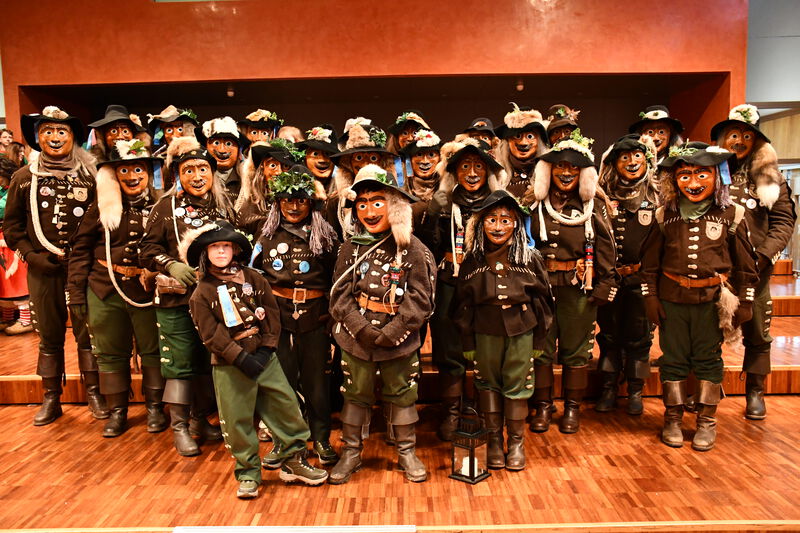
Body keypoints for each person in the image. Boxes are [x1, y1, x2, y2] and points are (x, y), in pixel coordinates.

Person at [184, 219, 328, 499]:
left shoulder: (254, 278)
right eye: (214, 247)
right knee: (236, 418)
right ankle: (248, 472)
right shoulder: (202, 292)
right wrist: (239, 358)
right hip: (229, 365)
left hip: (264, 357)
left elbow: (272, 314)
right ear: (205, 253)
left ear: (235, 250)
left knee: (285, 405)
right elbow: (210, 335)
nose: (221, 251)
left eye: (226, 246)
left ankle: (293, 460)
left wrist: (266, 349)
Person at [640, 141, 758, 451]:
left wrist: (746, 300)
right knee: (673, 360)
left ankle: (706, 420)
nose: (692, 183)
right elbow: (649, 264)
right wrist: (650, 297)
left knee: (708, 360)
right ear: (674, 180)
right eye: (685, 175)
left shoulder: (732, 214)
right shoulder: (664, 215)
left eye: (701, 174)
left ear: (717, 176)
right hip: (672, 300)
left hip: (712, 302)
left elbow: (745, 264)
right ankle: (672, 418)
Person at [328, 164, 436, 484]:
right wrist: (360, 328)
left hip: (399, 339)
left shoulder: (414, 250)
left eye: (378, 202)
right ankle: (351, 452)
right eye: (362, 204)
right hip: (356, 338)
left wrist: (393, 332)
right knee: (354, 394)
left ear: (395, 206)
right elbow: (338, 297)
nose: (370, 211)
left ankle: (406, 451)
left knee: (402, 394)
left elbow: (422, 300)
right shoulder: (350, 248)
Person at [3, 106, 109, 425]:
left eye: (62, 131)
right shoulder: (24, 178)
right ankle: (51, 397)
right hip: (42, 269)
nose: (55, 137)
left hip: (83, 270)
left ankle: (94, 392)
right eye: (47, 131)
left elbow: (102, 223)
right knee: (48, 335)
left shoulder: (90, 176)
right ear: (38, 138)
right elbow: (12, 227)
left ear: (73, 137)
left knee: (87, 332)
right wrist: (32, 256)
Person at [139, 136, 233, 456]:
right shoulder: (165, 207)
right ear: (178, 175)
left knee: (206, 361)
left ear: (212, 172)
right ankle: (179, 427)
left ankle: (199, 420)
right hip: (175, 301)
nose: (197, 176)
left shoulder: (223, 206)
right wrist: (171, 264)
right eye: (188, 170)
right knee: (179, 364)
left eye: (202, 169)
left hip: (213, 301)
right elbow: (146, 249)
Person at [68, 139, 165, 437]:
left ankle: (155, 408)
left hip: (147, 291)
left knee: (153, 351)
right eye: (124, 170)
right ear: (114, 175)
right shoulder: (99, 208)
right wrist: (76, 293)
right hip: (104, 288)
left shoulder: (162, 207)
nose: (132, 176)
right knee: (109, 353)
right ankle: (117, 411)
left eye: (139, 169)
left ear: (148, 172)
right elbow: (80, 250)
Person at [523, 130, 617, 434]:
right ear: (549, 170)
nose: (566, 172)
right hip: (540, 287)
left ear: (583, 172)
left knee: (577, 351)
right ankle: (543, 406)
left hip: (579, 287)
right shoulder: (533, 203)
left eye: (573, 167)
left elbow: (606, 247)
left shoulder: (594, 205)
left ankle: (572, 408)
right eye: (560, 166)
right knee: (541, 347)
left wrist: (605, 285)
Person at [452, 189, 553, 471]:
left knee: (518, 385)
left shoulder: (530, 258)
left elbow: (544, 302)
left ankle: (517, 442)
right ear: (481, 223)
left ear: (516, 224)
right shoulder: (473, 259)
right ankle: (495, 440)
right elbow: (462, 305)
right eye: (492, 220)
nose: (498, 227)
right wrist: (467, 341)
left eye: (506, 220)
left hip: (521, 330)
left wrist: (539, 340)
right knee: (487, 384)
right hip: (485, 331)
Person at [710, 104, 796, 420]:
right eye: (733, 135)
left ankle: (755, 391)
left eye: (747, 136)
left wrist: (762, 256)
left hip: (755, 271)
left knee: (758, 333)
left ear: (756, 141)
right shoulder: (708, 173)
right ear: (722, 138)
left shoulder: (771, 179)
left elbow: (783, 221)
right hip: (713, 269)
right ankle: (707, 390)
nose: (739, 141)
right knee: (707, 333)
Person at [252, 164, 339, 467]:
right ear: (277, 201)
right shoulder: (265, 233)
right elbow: (253, 275)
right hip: (278, 317)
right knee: (282, 381)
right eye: (287, 199)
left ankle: (321, 438)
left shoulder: (325, 234)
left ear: (311, 203)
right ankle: (286, 441)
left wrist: (331, 314)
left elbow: (336, 277)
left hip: (315, 316)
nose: (293, 206)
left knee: (316, 382)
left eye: (301, 200)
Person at [423, 138, 507, 441]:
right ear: (454, 172)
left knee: (487, 344)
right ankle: (452, 410)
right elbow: (428, 247)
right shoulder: (443, 203)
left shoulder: (499, 202)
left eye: (479, 167)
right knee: (448, 344)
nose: (472, 173)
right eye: (465, 167)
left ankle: (486, 411)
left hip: (487, 280)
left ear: (488, 171)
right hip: (450, 279)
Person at [594, 134, 659, 415]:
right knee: (608, 336)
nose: (631, 162)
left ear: (646, 160)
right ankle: (608, 388)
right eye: (624, 157)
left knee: (640, 338)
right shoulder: (601, 193)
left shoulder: (656, 194)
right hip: (609, 278)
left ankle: (635, 390)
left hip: (640, 279)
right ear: (614, 163)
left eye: (636, 156)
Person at [0, 156, 31, 335]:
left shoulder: (14, 188)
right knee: (5, 282)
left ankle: (26, 320)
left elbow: (5, 207)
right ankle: (7, 317)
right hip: (2, 239)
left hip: (12, 238)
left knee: (16, 279)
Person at [495, 103, 549, 199]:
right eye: (517, 136)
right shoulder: (496, 173)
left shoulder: (550, 172)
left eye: (530, 136)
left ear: (539, 141)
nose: (523, 143)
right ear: (508, 141)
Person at [196, 116, 249, 202]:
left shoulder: (249, 180)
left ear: (238, 150)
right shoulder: (197, 178)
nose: (222, 150)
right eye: (216, 143)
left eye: (228, 144)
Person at [146, 105, 199, 190]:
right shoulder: (157, 160)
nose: (174, 135)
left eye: (180, 129)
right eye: (169, 130)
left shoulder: (200, 154)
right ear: (162, 133)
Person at [400, 128, 442, 229]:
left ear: (440, 159)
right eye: (419, 155)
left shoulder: (448, 188)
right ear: (410, 160)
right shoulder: (400, 188)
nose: (425, 161)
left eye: (431, 155)